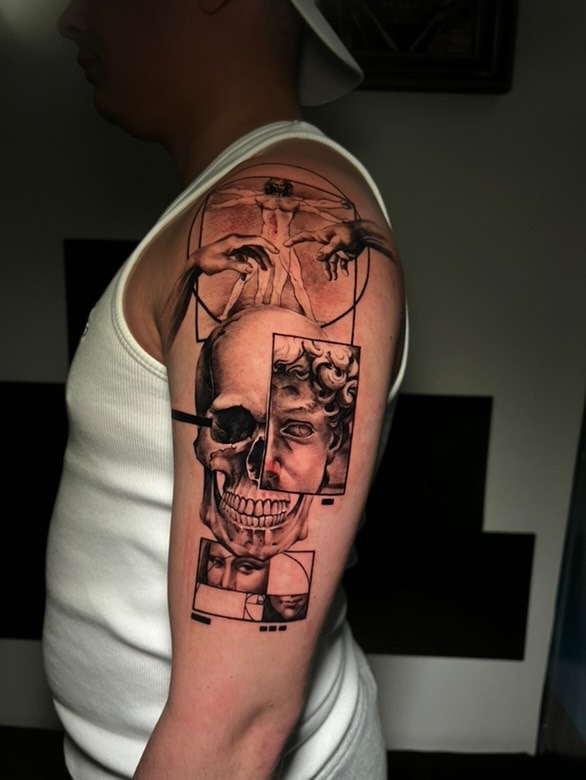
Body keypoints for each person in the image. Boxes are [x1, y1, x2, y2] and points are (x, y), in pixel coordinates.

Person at [43, 1, 407, 778]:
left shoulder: (293, 194)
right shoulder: (223, 210)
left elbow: (238, 730)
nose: (72, 19)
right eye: (233, 426)